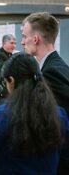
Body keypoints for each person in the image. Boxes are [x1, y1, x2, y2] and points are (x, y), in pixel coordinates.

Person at [0, 52, 69, 174]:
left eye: (6, 82)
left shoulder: (1, 115)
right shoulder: (59, 115)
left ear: (12, 81)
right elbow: (65, 159)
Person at [21, 12, 69, 173]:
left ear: (35, 39)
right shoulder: (55, 65)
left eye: (24, 36)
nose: (22, 42)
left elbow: (59, 123)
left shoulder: (51, 72)